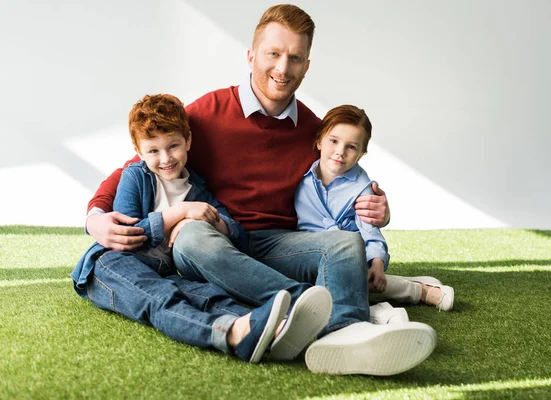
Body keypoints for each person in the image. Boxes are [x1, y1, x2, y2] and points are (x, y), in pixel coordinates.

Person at [85, 4, 436, 376]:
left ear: (306, 65)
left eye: (295, 58)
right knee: (190, 236)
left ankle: (347, 335)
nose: (283, 69)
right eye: (273, 54)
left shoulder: (314, 132)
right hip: (213, 244)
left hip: (278, 244)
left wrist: (379, 211)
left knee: (346, 244)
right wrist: (95, 217)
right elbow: (140, 163)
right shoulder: (206, 114)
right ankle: (317, 307)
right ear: (252, 56)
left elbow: (349, 183)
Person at [71, 94, 332, 364]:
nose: (165, 158)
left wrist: (212, 221)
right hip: (110, 263)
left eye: (173, 146)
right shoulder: (135, 176)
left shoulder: (196, 186)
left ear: (188, 142)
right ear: (139, 152)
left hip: (163, 269)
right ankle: (232, 334)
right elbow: (131, 235)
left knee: (205, 295)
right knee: (161, 300)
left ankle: (274, 328)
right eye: (153, 151)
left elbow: (234, 230)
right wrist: (180, 213)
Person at [294, 105, 455, 323]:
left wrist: (377, 262)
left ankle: (415, 295)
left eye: (351, 147)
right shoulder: (301, 177)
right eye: (334, 141)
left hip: (350, 256)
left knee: (343, 280)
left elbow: (370, 231)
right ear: (319, 141)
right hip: (310, 254)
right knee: (312, 287)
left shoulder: (362, 188)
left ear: (361, 154)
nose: (340, 152)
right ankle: (394, 302)